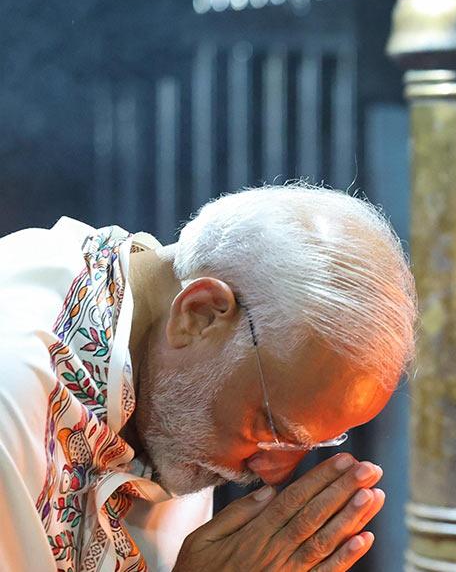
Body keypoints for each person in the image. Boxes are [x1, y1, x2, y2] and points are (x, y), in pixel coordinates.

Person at [0, 183, 417, 571]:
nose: (273, 473)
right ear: (199, 315)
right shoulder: (13, 384)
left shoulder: (170, 381)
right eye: (272, 431)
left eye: (311, 444)